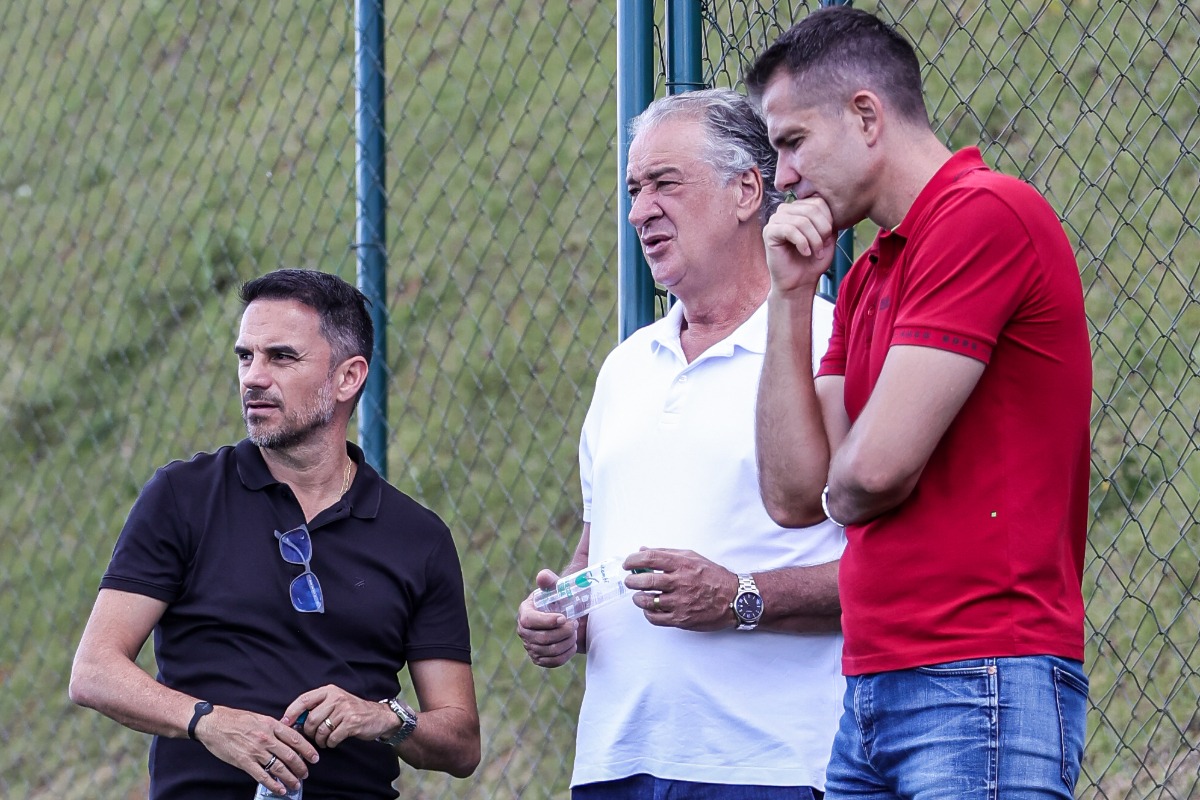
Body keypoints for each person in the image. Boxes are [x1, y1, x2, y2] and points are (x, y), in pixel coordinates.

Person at [745, 8, 1091, 799]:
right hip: (874, 688)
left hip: (978, 678)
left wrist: (845, 482)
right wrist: (792, 296)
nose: (784, 177)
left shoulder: (983, 215)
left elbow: (872, 476)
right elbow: (796, 494)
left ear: (866, 115)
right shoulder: (867, 274)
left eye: (792, 142)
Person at [517, 89, 845, 799]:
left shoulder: (830, 343)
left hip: (771, 767)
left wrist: (738, 596)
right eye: (634, 190)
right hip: (616, 763)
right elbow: (597, 548)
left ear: (746, 191)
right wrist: (561, 612)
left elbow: (889, 575)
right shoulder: (625, 367)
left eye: (665, 183)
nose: (639, 210)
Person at [70, 269, 480, 799]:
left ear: (347, 378)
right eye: (246, 356)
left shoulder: (418, 538)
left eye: (280, 357)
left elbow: (462, 743)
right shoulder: (183, 495)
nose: (253, 377)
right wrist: (210, 723)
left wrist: (381, 717)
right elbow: (94, 670)